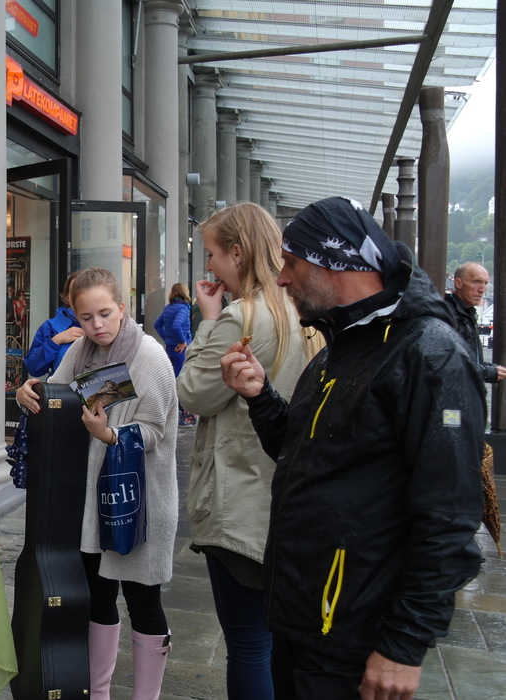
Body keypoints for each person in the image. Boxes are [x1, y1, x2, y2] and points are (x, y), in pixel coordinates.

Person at [219, 196, 484, 699]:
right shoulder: (339, 347)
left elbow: (448, 515)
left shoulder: (429, 354)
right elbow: (306, 455)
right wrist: (260, 397)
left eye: (292, 263)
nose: (282, 279)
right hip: (301, 615)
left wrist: (404, 645)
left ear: (334, 262)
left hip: (355, 633)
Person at [176, 202, 320, 699]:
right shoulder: (302, 311)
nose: (209, 265)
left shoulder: (241, 316)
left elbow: (192, 393)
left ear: (237, 253)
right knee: (275, 642)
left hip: (239, 502)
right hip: (288, 498)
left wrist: (207, 320)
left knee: (248, 645)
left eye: (212, 254)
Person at [17, 267, 178, 700]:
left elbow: (156, 430)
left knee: (144, 603)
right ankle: (99, 693)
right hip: (93, 504)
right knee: (98, 599)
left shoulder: (149, 356)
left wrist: (109, 434)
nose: (97, 325)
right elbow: (57, 394)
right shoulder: (82, 350)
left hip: (139, 503)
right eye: (86, 318)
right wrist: (29, 392)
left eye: (105, 314)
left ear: (122, 307)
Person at [445, 261, 506, 383]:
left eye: (485, 283)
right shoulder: (448, 315)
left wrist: (491, 368)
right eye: (477, 282)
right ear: (458, 283)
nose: (482, 289)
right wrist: (487, 372)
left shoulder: (466, 314)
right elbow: (447, 366)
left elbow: (470, 361)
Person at [24, 270, 84, 377]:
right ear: (67, 297)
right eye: (74, 292)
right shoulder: (51, 327)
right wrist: (56, 341)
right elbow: (33, 368)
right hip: (61, 387)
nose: (79, 297)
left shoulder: (104, 325)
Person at [153, 282, 193, 376]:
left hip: (170, 347)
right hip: (180, 349)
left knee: (171, 375)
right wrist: (182, 341)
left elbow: (157, 325)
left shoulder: (168, 308)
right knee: (179, 377)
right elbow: (176, 325)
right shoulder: (183, 309)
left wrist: (167, 338)